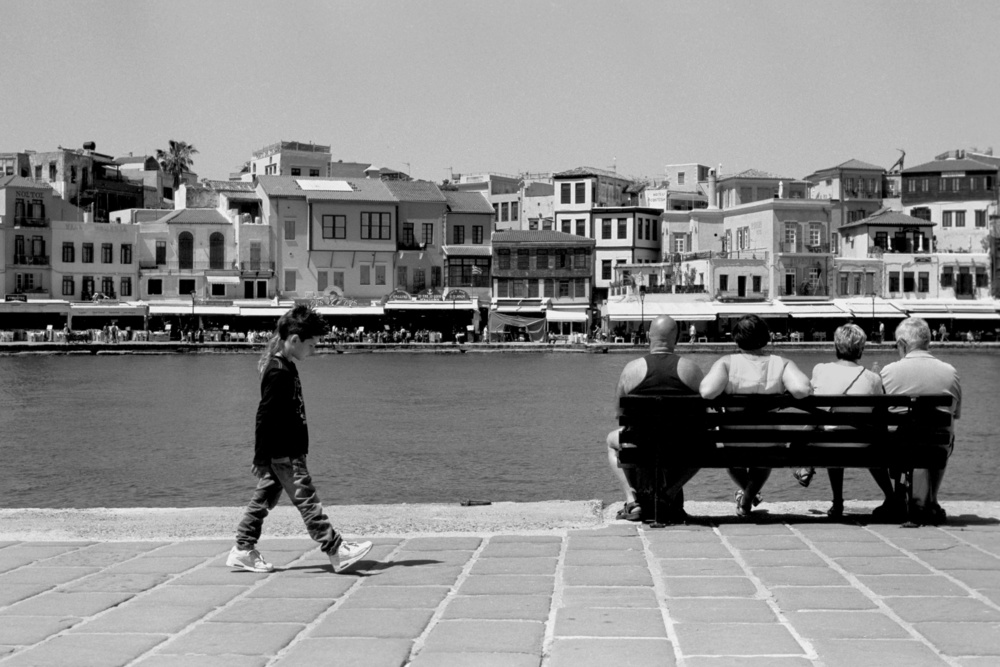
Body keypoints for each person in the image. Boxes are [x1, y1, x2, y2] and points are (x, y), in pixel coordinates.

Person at [228, 305, 373, 573]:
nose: (314, 351)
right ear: (294, 340)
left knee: (262, 501)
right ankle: (335, 549)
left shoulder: (286, 366)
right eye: (312, 345)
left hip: (283, 451)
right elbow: (265, 416)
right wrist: (260, 457)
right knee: (307, 499)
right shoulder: (278, 372)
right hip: (286, 451)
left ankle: (243, 548)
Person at [699, 314, 811, 517]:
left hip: (734, 442)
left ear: (736, 339)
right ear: (766, 337)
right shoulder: (782, 364)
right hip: (768, 442)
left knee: (730, 456)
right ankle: (746, 501)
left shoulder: (727, 363)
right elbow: (802, 390)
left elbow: (707, 392)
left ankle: (747, 498)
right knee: (765, 455)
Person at [606, 315, 704, 523]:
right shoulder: (692, 370)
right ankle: (668, 493)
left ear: (649, 336)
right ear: (677, 338)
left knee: (610, 442)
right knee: (706, 444)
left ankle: (633, 501)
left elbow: (619, 414)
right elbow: (704, 414)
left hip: (641, 442)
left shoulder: (631, 369)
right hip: (680, 444)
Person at [792, 324, 896, 518]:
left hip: (827, 444)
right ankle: (891, 497)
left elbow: (814, 405)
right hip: (861, 446)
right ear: (861, 348)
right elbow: (880, 422)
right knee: (867, 437)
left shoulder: (820, 369)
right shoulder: (873, 378)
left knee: (829, 430)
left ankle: (837, 501)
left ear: (836, 346)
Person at [881, 317, 961, 526]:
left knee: (894, 433)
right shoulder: (950, 372)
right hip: (935, 448)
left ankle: (898, 497)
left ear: (902, 344)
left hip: (898, 448)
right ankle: (932, 500)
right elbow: (955, 414)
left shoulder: (888, 372)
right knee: (946, 431)